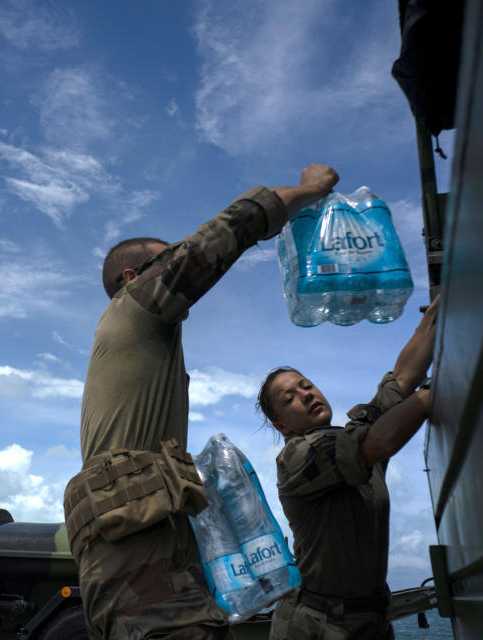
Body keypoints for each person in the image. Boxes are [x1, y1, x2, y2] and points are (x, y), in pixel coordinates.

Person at [64, 164, 340, 640]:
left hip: (136, 537)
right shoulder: (133, 307)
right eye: (163, 258)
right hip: (136, 545)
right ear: (134, 276)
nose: (174, 261)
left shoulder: (137, 340)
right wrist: (311, 190)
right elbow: (216, 241)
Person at [257, 297, 439, 640]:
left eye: (306, 385)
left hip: (370, 620)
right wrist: (435, 388)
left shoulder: (353, 440)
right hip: (316, 627)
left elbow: (400, 380)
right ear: (281, 426)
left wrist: (436, 314)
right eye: (290, 398)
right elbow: (380, 442)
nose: (306, 394)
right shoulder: (298, 457)